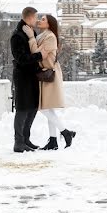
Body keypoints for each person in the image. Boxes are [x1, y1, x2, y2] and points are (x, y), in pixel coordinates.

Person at [28, 14, 76, 150]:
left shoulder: (50, 37)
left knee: (42, 107)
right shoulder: (43, 36)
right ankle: (53, 141)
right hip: (44, 74)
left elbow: (36, 52)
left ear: (49, 24)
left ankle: (66, 132)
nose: (39, 21)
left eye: (43, 19)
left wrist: (30, 37)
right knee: (48, 108)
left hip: (49, 74)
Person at [11, 6, 43, 153]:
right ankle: (18, 142)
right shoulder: (17, 35)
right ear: (29, 18)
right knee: (23, 108)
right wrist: (39, 56)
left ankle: (26, 139)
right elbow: (21, 59)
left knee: (32, 107)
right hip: (23, 77)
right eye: (36, 17)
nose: (37, 20)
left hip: (32, 76)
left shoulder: (31, 33)